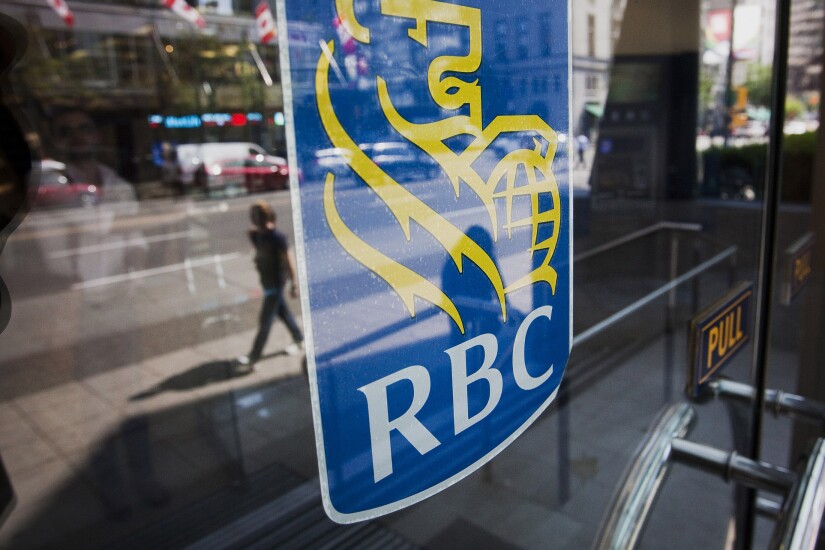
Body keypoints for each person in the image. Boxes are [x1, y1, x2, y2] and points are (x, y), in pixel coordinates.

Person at [238, 200, 304, 368]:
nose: (254, 219)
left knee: (265, 321)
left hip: (275, 284)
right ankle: (299, 338)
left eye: (257, 216)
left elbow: (288, 260)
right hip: (267, 282)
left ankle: (254, 356)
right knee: (283, 313)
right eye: (252, 216)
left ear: (266, 216)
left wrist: (294, 284)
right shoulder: (258, 234)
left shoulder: (277, 237)